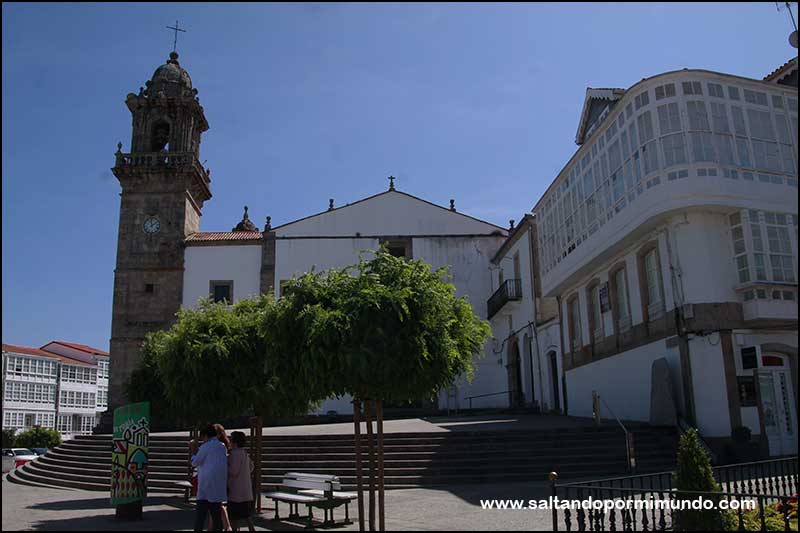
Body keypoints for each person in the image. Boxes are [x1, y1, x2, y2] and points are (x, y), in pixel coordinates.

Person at [191, 424, 228, 531]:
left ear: (206, 435)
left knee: (200, 517)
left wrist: (193, 451)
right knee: (216, 517)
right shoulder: (222, 446)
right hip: (218, 486)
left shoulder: (205, 447)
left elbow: (195, 462)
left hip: (205, 485)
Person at [227, 431, 256, 532]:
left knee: (233, 516)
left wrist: (226, 467)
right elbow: (251, 467)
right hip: (245, 489)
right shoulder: (244, 452)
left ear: (234, 441)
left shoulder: (234, 454)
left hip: (236, 490)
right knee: (246, 514)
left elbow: (234, 471)